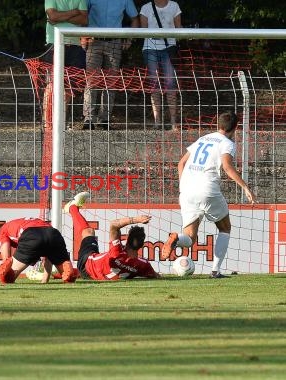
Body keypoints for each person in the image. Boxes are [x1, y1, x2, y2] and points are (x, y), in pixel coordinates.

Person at [161, 111, 256, 277]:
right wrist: (245, 187)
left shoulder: (203, 138)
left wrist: (184, 185)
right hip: (207, 189)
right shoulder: (227, 143)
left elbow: (181, 163)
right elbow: (227, 167)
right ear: (236, 127)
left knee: (189, 238)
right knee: (225, 228)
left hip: (187, 190)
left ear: (218, 125)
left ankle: (175, 239)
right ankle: (215, 271)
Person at [64, 192, 160, 280]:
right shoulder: (143, 265)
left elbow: (114, 225)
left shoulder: (116, 252)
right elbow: (156, 276)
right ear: (141, 245)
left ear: (126, 240)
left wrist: (136, 219)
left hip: (86, 264)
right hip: (92, 274)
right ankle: (73, 272)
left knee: (88, 232)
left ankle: (72, 207)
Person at [82, 0, 139, 130]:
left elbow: (135, 18)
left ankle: (105, 119)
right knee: (91, 80)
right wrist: (82, 36)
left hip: (114, 42)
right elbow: (82, 15)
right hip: (93, 41)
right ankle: (89, 119)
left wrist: (130, 38)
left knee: (111, 82)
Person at [43, 0, 88, 129]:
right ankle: (47, 123)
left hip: (75, 46)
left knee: (69, 88)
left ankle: (60, 122)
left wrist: (60, 17)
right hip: (54, 44)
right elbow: (52, 16)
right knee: (51, 85)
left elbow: (84, 20)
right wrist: (74, 12)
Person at [140, 0, 182, 130]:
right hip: (150, 48)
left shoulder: (174, 6)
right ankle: (157, 121)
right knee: (154, 84)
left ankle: (173, 121)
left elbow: (179, 29)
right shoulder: (145, 8)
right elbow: (142, 31)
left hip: (169, 48)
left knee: (170, 83)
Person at [0, 217, 78, 284]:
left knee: (8, 278)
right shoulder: (22, 221)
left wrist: (7, 265)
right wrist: (45, 280)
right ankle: (68, 272)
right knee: (68, 278)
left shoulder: (3, 229)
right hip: (53, 233)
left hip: (31, 234)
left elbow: (6, 258)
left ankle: (7, 276)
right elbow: (47, 256)